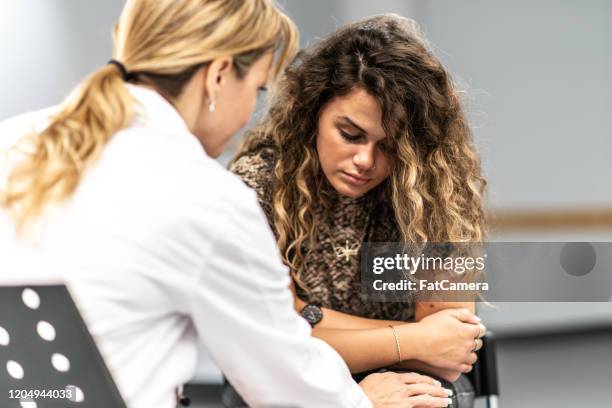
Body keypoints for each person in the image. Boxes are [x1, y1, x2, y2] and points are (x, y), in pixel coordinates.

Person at [0, 1, 455, 408]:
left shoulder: (13, 140)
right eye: (257, 89)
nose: (248, 116)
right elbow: (286, 383)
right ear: (218, 76)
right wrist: (364, 399)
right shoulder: (210, 196)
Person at [230, 14, 487, 406]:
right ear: (313, 112)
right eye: (350, 135)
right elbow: (269, 346)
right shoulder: (259, 183)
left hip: (414, 384)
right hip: (289, 387)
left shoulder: (436, 188)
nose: (365, 160)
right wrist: (414, 338)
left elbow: (448, 355)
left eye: (389, 146)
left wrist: (308, 317)